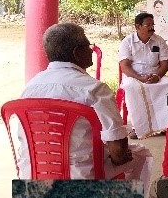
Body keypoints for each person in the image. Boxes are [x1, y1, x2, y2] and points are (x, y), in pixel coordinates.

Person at [15, 23, 152, 182]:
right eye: (88, 46)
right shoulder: (94, 89)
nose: (90, 51)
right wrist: (115, 155)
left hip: (33, 177)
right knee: (141, 154)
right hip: (81, 180)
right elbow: (119, 152)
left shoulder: (28, 89)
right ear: (77, 52)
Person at [118, 12, 168, 138]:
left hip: (155, 75)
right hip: (134, 77)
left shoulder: (158, 40)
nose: (151, 28)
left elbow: (165, 63)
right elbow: (125, 66)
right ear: (137, 26)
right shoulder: (127, 42)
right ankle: (137, 128)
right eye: (147, 25)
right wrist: (140, 78)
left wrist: (158, 76)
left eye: (152, 24)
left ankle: (164, 126)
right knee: (132, 87)